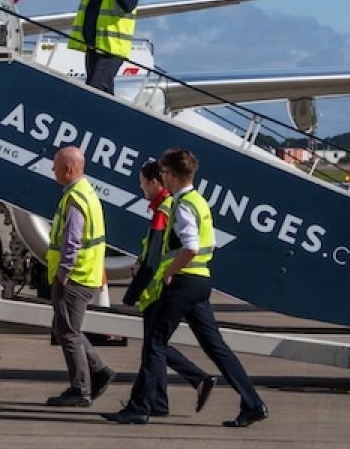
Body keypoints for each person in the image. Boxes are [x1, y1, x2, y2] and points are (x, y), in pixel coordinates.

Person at [103, 148, 268, 428]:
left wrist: (170, 270)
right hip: (201, 281)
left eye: (164, 173)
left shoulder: (182, 205)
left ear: (173, 175)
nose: (162, 177)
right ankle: (253, 403)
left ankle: (139, 407)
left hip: (182, 283)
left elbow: (190, 246)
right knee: (217, 348)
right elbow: (209, 243)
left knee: (154, 343)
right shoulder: (199, 200)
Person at [118, 158, 216, 416]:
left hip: (161, 287)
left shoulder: (164, 211)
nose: (140, 188)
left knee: (154, 345)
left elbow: (153, 259)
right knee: (155, 345)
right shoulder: (168, 206)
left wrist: (132, 293)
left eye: (141, 182)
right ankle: (158, 403)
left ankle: (143, 405)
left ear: (154, 182)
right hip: (167, 285)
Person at [44, 145, 115, 407]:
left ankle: (81, 389)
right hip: (87, 274)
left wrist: (63, 272)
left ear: (68, 168)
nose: (52, 170)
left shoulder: (75, 198)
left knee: (68, 333)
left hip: (75, 277)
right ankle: (98, 371)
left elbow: (72, 240)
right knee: (67, 328)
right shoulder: (87, 193)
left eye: (55, 165)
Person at [59, 0, 141, 93]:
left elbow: (129, 4)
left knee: (94, 89)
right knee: (103, 91)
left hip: (111, 51)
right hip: (93, 48)